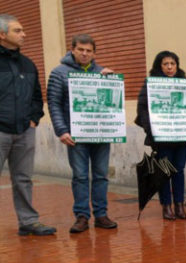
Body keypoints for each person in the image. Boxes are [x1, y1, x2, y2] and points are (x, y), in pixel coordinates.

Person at [47, 34, 117, 233]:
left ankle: (101, 215)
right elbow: (54, 103)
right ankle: (81, 216)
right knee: (80, 176)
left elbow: (112, 102)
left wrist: (111, 81)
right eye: (81, 50)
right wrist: (61, 130)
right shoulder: (59, 72)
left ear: (94, 53)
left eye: (89, 51)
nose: (85, 54)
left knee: (101, 175)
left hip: (101, 133)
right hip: (75, 135)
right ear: (72, 50)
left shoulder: (102, 72)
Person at [0, 14, 55, 236]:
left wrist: (34, 119)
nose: (24, 34)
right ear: (2, 34)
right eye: (18, 30)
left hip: (24, 131)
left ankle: (28, 221)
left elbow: (36, 96)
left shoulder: (28, 64)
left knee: (23, 179)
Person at [136, 51, 186, 220]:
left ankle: (179, 205)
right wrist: (152, 130)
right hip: (162, 137)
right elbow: (142, 109)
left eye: (173, 63)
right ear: (159, 66)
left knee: (179, 170)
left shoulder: (185, 83)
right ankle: (166, 206)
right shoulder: (150, 84)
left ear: (177, 66)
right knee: (164, 171)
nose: (170, 67)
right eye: (166, 64)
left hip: (181, 136)